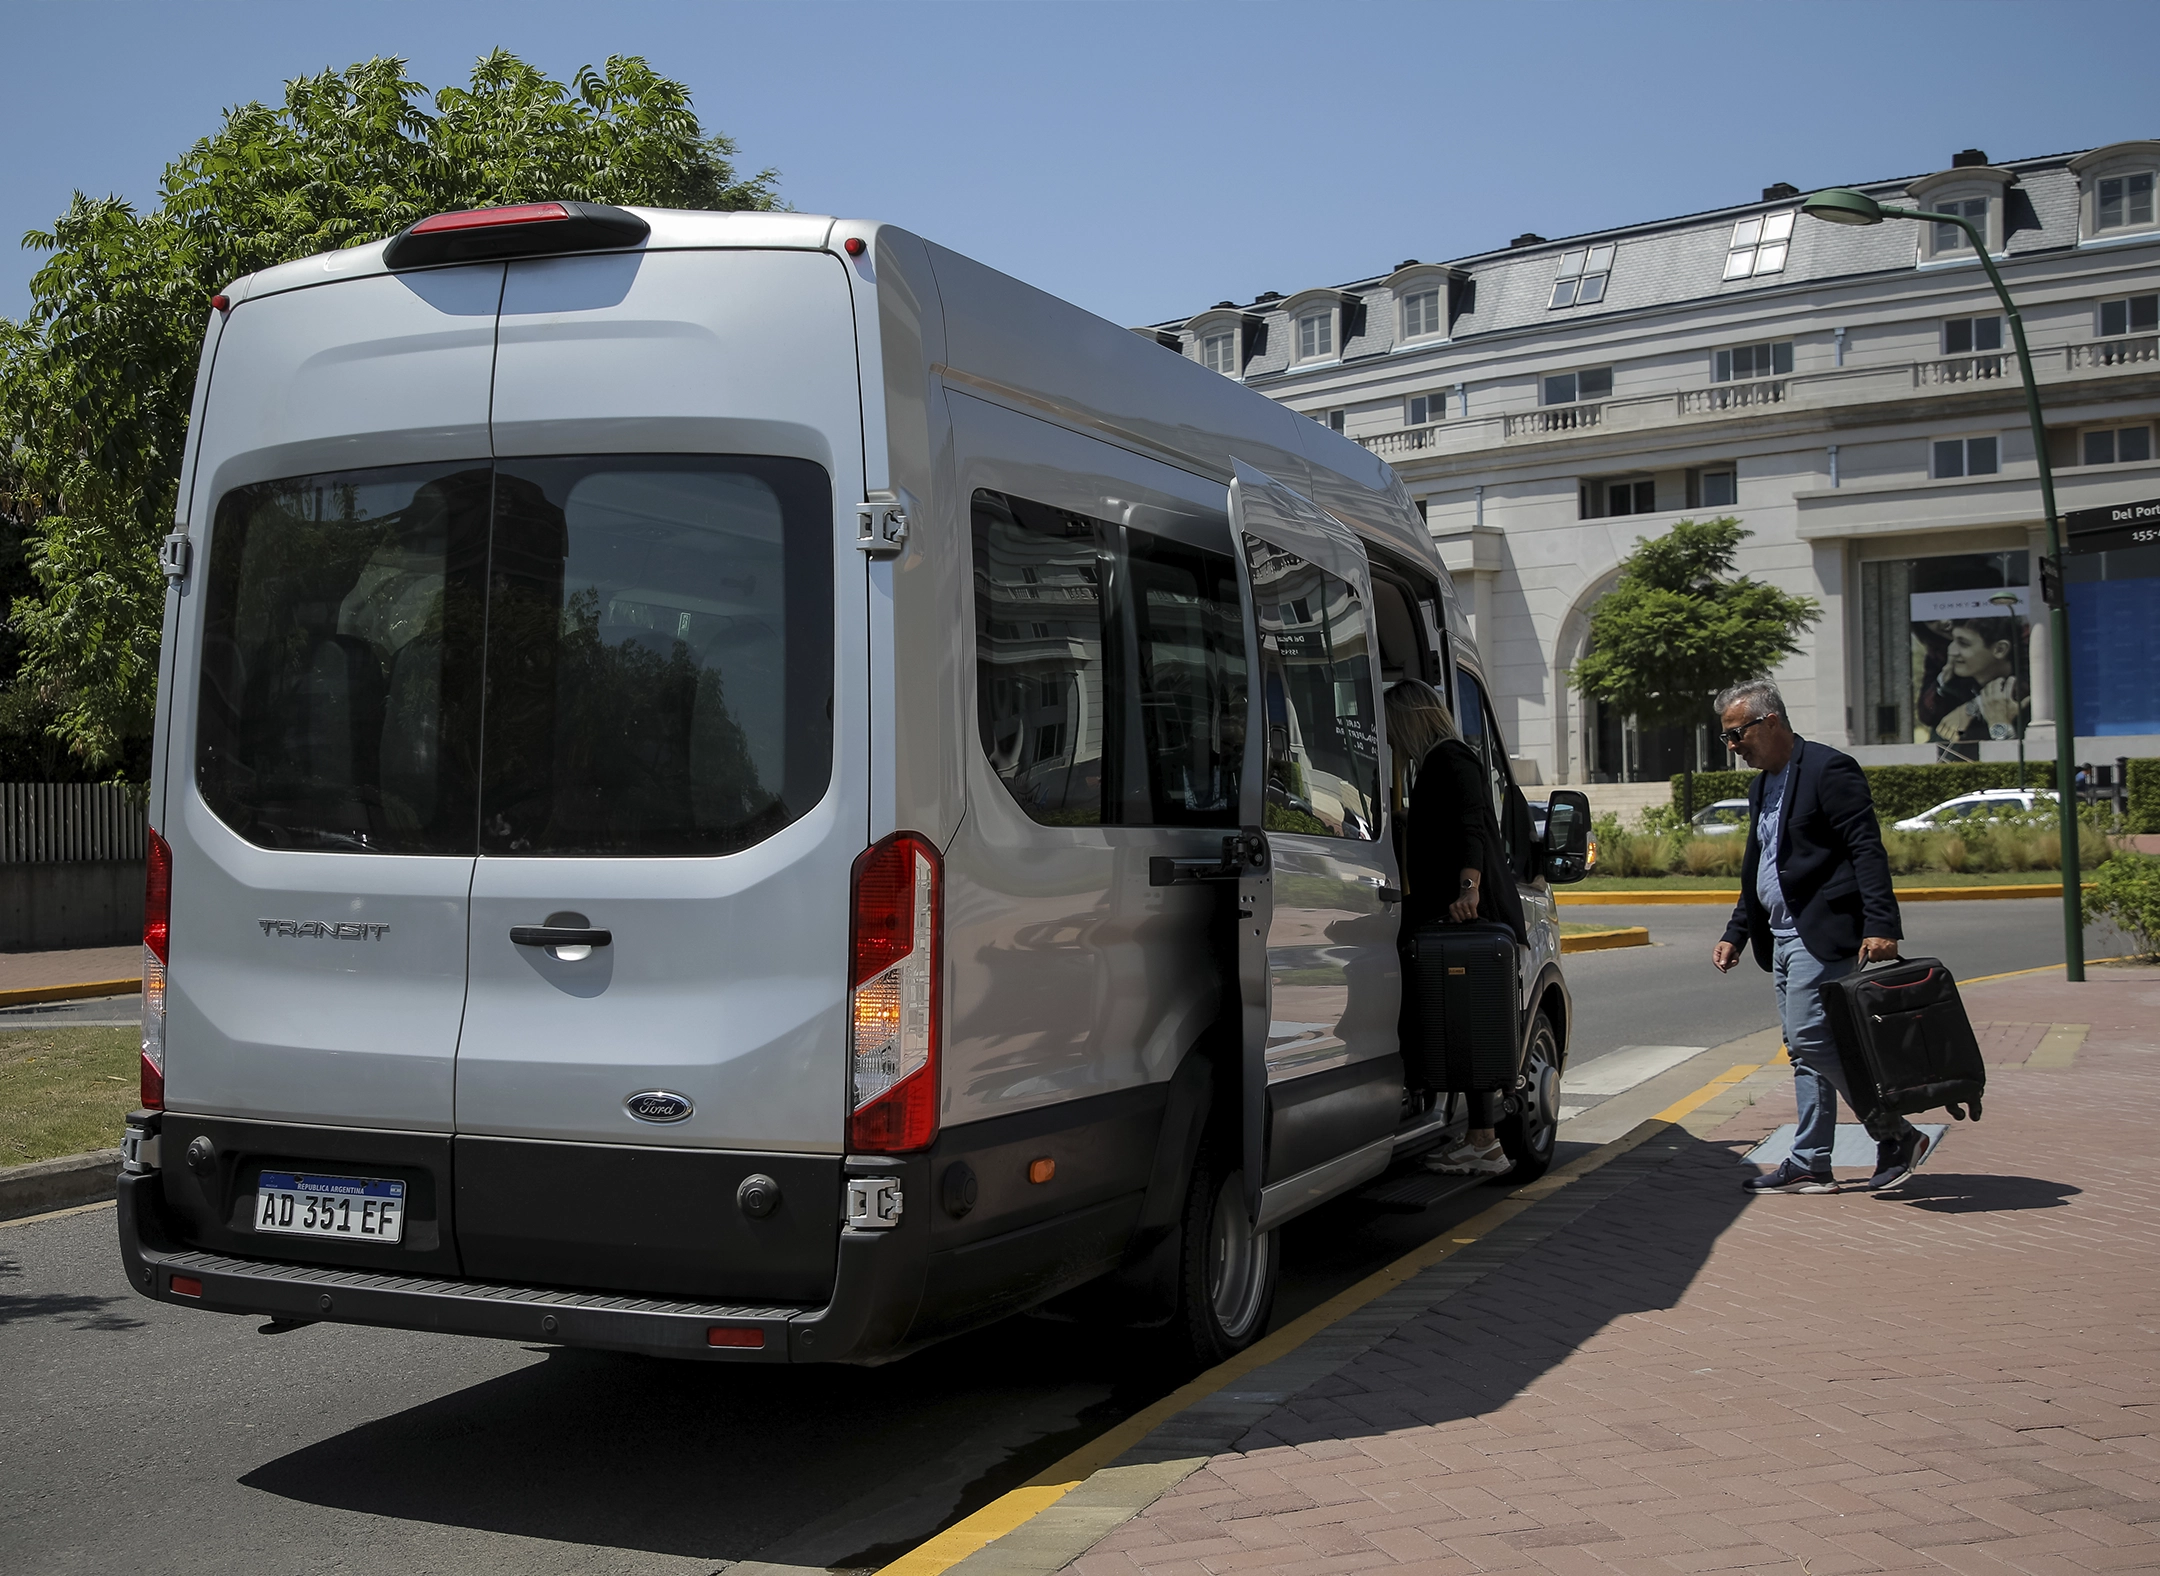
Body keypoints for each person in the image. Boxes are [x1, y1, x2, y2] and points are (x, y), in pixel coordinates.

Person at [1710, 679, 1932, 1193]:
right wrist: (1737, 931)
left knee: (1812, 1038)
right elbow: (1763, 868)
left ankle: (1895, 1133)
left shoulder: (1829, 769)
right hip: (1781, 937)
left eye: (1737, 734)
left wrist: (1881, 925)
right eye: (1727, 737)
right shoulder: (1761, 784)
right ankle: (1811, 1160)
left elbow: (1866, 850)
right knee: (1802, 1047)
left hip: (1823, 934)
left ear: (1770, 722)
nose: (1732, 746)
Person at [1384, 680, 1527, 1178]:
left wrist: (1469, 888)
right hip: (1457, 912)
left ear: (1409, 718)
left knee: (1467, 1028)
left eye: (1391, 727)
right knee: (1465, 1026)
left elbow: (1470, 827)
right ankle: (1480, 1140)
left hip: (1468, 913)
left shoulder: (1451, 758)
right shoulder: (1439, 764)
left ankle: (1484, 1142)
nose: (1388, 740)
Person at [1922, 616, 2027, 745]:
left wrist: (2000, 725)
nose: (1952, 651)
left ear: (2000, 649)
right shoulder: (1953, 696)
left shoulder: (2030, 703)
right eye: (1953, 641)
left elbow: (2013, 762)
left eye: (1964, 643)